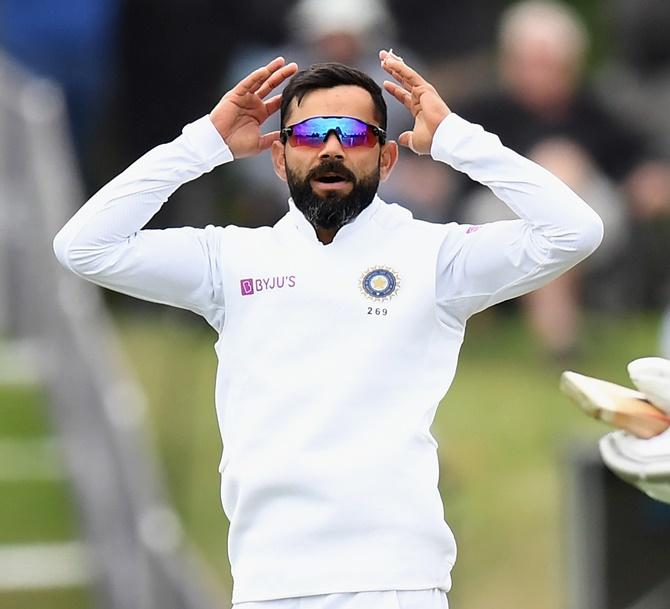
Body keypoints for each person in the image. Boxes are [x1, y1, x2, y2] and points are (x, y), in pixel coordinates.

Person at [53, 52, 603, 608]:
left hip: (397, 583)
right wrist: (203, 145)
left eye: (356, 135)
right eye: (313, 133)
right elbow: (83, 248)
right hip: (269, 584)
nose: (333, 149)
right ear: (279, 155)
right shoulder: (230, 259)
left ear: (387, 158)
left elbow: (574, 231)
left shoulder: (436, 257)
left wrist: (459, 140)